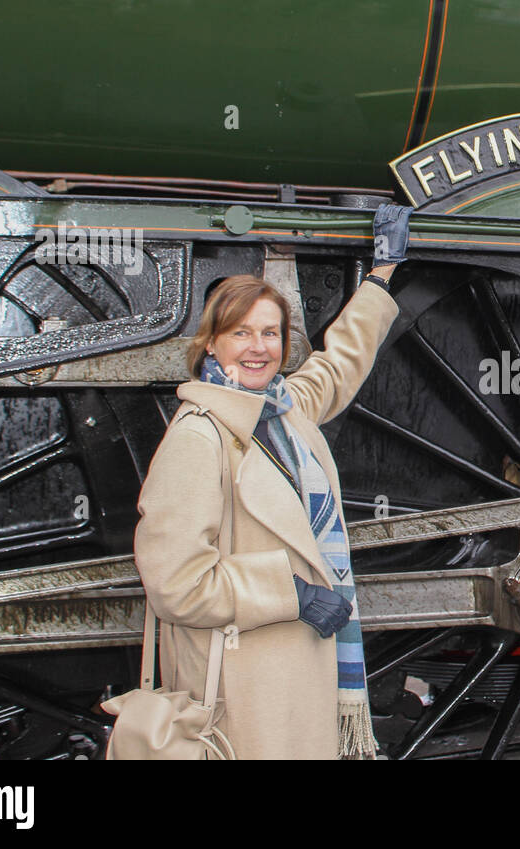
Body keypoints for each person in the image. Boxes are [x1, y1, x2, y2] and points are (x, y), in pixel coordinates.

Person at [132, 204, 413, 759]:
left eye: (271, 333)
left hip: (294, 676)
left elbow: (339, 364)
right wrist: (295, 594)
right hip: (242, 691)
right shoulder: (200, 435)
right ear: (210, 344)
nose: (258, 347)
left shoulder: (282, 410)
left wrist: (382, 273)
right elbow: (175, 584)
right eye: (241, 333)